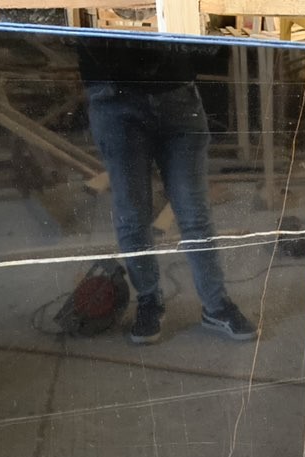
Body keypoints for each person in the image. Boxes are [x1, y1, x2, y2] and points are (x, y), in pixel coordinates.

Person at [79, 42, 256, 344]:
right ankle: (149, 300)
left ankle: (216, 305)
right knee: (133, 214)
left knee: (194, 213)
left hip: (178, 94)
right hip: (114, 97)